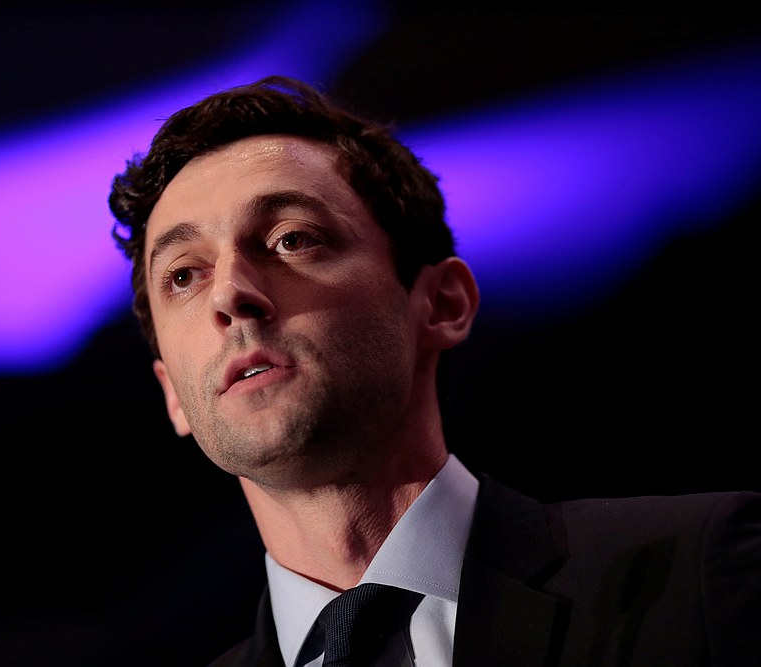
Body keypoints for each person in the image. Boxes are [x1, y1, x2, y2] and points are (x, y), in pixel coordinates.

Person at [107, 75, 761, 666]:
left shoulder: (693, 572)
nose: (229, 294)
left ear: (442, 304)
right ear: (173, 395)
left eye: (291, 239)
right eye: (184, 275)